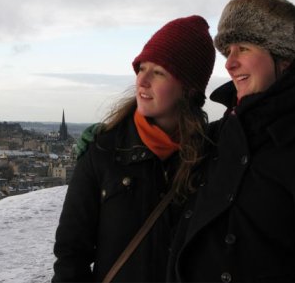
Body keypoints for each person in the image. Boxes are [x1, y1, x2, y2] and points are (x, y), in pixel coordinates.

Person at [52, 15, 216, 282]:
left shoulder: (211, 154)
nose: (142, 80)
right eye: (141, 68)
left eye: (159, 72)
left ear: (188, 88)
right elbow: (71, 254)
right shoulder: (103, 150)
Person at [167, 0, 295, 282]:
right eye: (228, 52)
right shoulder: (223, 132)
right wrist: (110, 135)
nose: (229, 64)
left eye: (243, 49)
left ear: (284, 58)